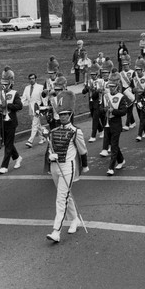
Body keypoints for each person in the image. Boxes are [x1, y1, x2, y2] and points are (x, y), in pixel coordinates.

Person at [45, 90, 89, 243]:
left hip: (68, 168)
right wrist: (50, 154)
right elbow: (51, 148)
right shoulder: (53, 131)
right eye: (61, 114)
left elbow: (83, 150)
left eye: (65, 114)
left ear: (70, 115)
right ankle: (75, 218)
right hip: (55, 168)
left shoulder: (76, 131)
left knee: (60, 198)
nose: (62, 116)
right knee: (65, 196)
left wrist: (84, 167)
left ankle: (56, 231)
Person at [0, 68, 23, 174]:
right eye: (3, 84)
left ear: (10, 84)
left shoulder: (15, 93)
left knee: (8, 144)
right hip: (2, 120)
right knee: (7, 142)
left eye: (6, 84)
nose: (4, 86)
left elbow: (19, 106)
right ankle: (17, 157)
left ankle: (4, 166)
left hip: (11, 121)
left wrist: (8, 105)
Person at [102, 72, 128, 176]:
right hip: (107, 123)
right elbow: (101, 109)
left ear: (117, 87)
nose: (111, 88)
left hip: (116, 124)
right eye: (110, 87)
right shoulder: (105, 96)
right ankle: (121, 160)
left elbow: (124, 111)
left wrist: (113, 110)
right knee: (112, 144)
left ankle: (111, 167)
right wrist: (104, 110)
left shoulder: (121, 97)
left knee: (113, 146)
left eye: (113, 87)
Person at [81, 62, 105, 142]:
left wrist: (93, 89)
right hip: (91, 102)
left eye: (94, 74)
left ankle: (93, 135)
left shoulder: (101, 81)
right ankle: (101, 130)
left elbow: (99, 91)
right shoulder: (89, 81)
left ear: (97, 74)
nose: (92, 76)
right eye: (91, 74)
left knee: (95, 118)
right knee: (96, 117)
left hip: (98, 101)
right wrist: (86, 88)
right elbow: (84, 91)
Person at [21, 73, 46, 148]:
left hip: (37, 108)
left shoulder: (40, 87)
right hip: (30, 108)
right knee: (37, 124)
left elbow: (44, 98)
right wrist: (19, 106)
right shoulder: (27, 88)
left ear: (35, 79)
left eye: (33, 78)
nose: (31, 80)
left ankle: (30, 141)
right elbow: (23, 98)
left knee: (34, 124)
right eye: (30, 79)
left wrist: (44, 107)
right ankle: (42, 137)